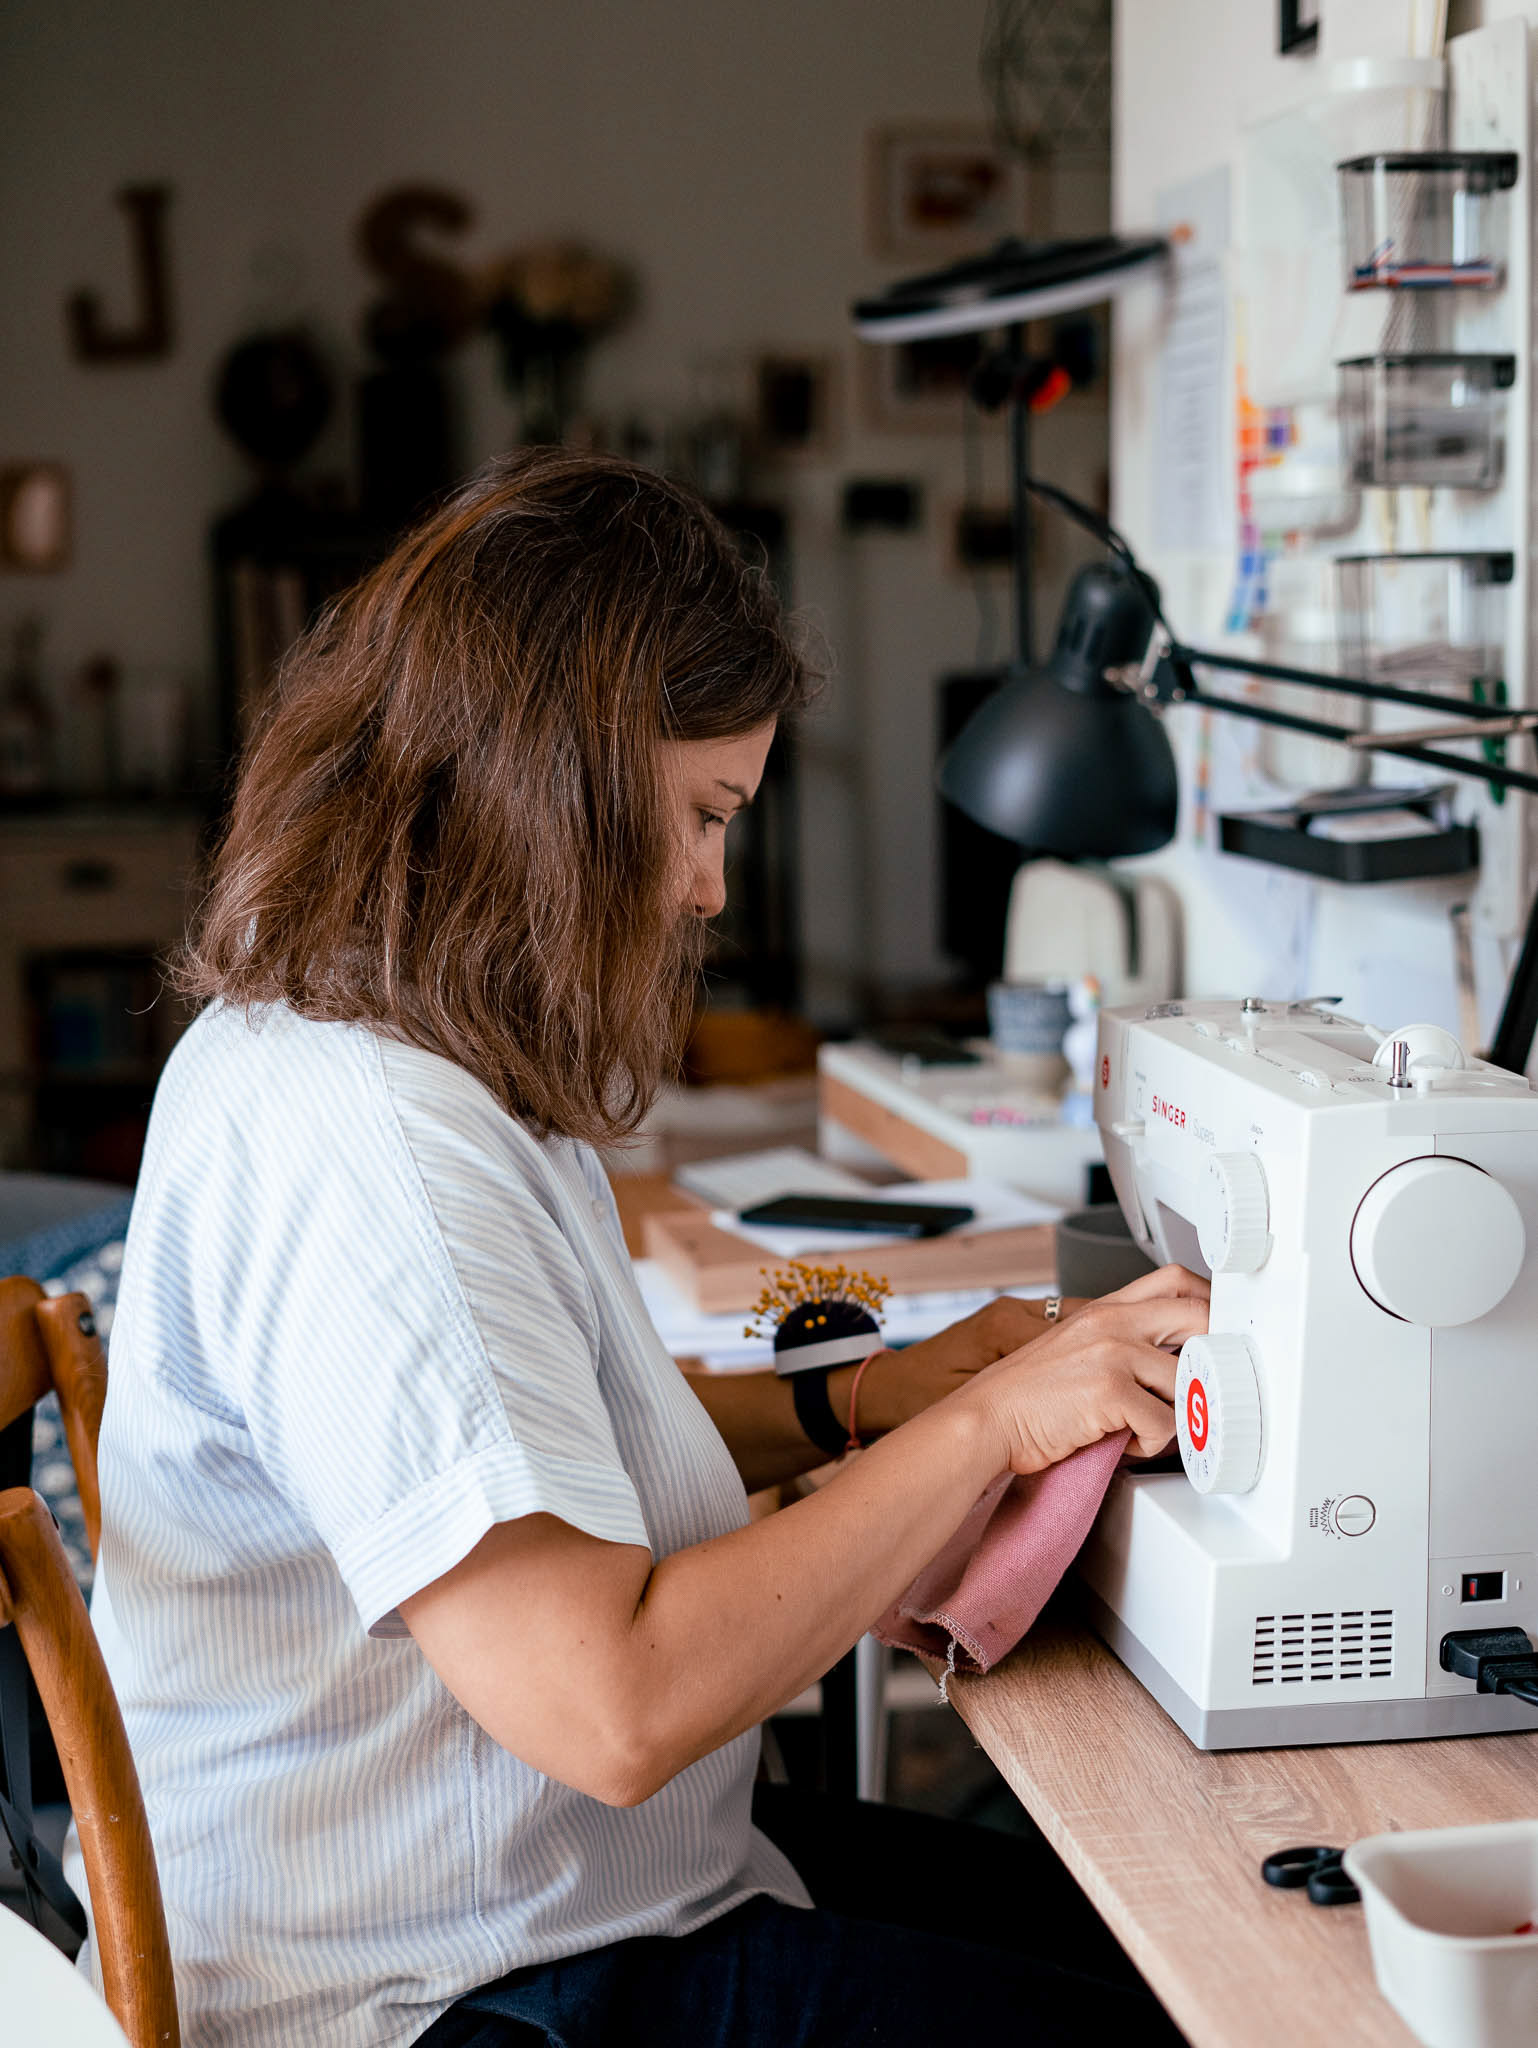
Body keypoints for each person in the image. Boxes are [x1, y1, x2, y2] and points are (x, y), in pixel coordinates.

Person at [73, 448, 1208, 2047]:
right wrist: (987, 1428)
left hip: (559, 1893)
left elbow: (540, 1428)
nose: (706, 887)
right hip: (443, 1995)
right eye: (698, 815)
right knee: (1181, 2009)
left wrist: (857, 1403)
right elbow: (612, 1709)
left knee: (1139, 1921)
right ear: (558, 786)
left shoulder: (378, 1045)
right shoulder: (372, 1151)